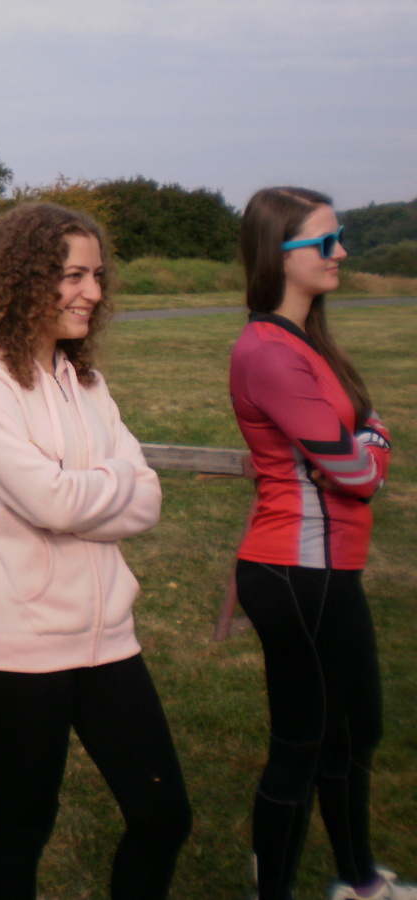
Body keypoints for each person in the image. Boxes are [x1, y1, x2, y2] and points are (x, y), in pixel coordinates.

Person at [0, 202, 191, 900]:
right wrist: (109, 485)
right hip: (20, 646)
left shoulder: (84, 380)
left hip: (108, 637)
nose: (92, 291)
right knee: (24, 824)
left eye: (97, 275)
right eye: (73, 275)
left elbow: (148, 498)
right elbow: (51, 502)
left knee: (163, 816)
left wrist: (86, 492)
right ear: (25, 277)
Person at [230, 188, 411, 900]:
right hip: (296, 570)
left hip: (326, 569)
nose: (342, 253)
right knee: (304, 742)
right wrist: (375, 437)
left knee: (355, 730)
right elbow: (358, 472)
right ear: (280, 255)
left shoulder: (305, 342)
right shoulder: (269, 352)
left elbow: (357, 445)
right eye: (325, 242)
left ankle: (358, 880)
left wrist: (366, 438)